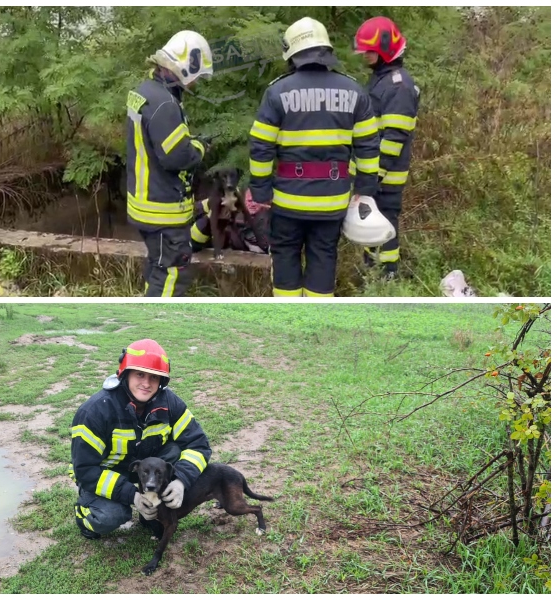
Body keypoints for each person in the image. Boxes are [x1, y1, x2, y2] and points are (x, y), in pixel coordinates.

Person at [248, 17, 381, 297]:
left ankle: (287, 318)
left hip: (288, 201)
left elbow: (261, 147)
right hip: (332, 201)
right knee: (323, 258)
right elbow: (369, 145)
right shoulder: (354, 91)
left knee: (285, 258)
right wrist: (365, 189)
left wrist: (261, 192)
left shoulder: (277, 91)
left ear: (292, 52)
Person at [68, 339, 213, 539]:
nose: (146, 383)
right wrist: (132, 495)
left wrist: (180, 479)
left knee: (174, 451)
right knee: (111, 516)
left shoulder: (170, 403)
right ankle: (84, 514)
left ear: (162, 381)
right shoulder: (95, 411)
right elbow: (85, 470)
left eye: (154, 377)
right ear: (125, 374)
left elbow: (199, 444)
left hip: (146, 470)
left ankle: (151, 513)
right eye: (139, 374)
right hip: (105, 474)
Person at [125, 31, 214, 297]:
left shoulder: (144, 91)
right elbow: (176, 157)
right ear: (186, 66)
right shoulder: (165, 103)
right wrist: (199, 147)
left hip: (144, 203)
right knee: (173, 272)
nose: (195, 83)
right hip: (162, 210)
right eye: (196, 76)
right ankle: (158, 316)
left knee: (157, 265)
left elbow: (157, 144)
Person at [354, 16, 420, 279]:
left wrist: (373, 176)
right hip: (374, 174)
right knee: (371, 226)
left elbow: (394, 138)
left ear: (385, 49)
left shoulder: (398, 86)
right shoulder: (381, 80)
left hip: (386, 176)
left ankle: (386, 278)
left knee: (384, 226)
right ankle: (372, 274)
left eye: (369, 51)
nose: (365, 56)